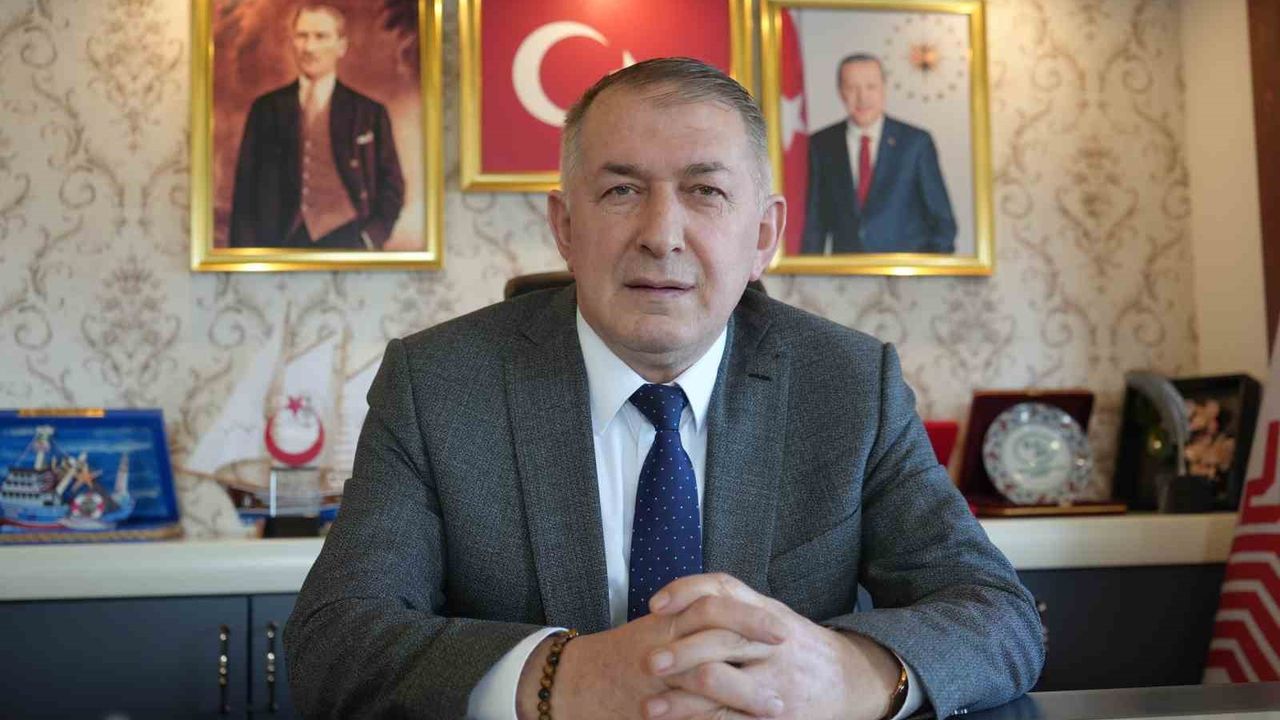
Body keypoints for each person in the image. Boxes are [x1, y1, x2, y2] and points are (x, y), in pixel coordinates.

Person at [286, 58, 1042, 719]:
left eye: (705, 191)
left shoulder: (847, 384)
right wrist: (561, 679)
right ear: (565, 226)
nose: (661, 233)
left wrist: (848, 673)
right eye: (621, 190)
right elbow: (333, 643)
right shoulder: (438, 384)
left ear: (763, 236)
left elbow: (998, 615)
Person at [229, 4, 404, 250]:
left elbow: (392, 186)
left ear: (341, 46)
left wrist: (370, 239)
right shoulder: (266, 109)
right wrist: (245, 256)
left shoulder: (369, 113)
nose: (309, 48)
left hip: (349, 240)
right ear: (292, 42)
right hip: (279, 242)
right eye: (302, 36)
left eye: (321, 37)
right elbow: (245, 193)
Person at [801, 53, 957, 255]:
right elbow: (814, 224)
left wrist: (925, 271)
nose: (862, 97)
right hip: (846, 271)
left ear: (884, 88)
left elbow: (943, 224)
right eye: (852, 88)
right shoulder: (821, 144)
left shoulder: (916, 143)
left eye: (871, 87)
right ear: (840, 92)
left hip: (904, 270)